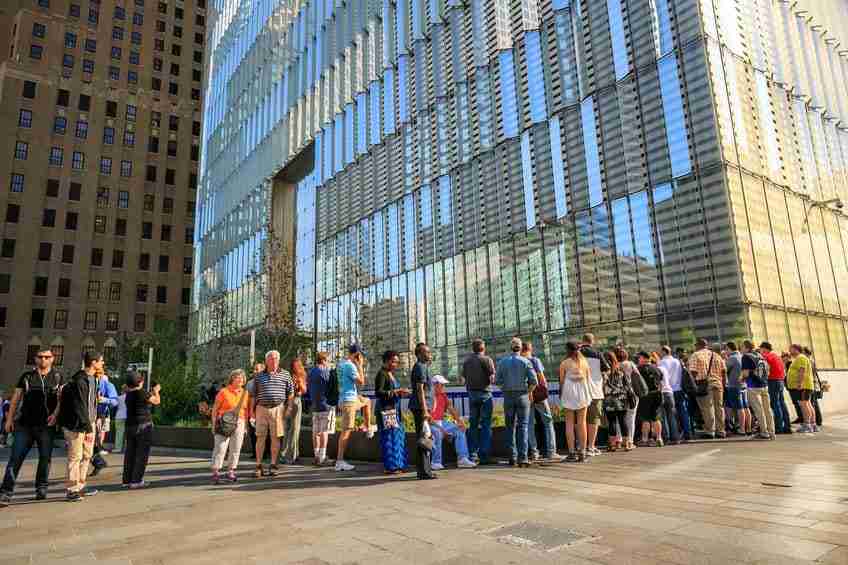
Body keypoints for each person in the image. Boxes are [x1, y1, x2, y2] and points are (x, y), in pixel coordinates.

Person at [0, 347, 64, 506]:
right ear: (35, 359)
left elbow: (62, 400)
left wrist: (55, 415)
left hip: (46, 426)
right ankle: (5, 492)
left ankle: (41, 487)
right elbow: (15, 399)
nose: (43, 360)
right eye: (40, 357)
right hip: (24, 425)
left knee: (45, 458)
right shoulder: (27, 376)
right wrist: (9, 420)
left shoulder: (57, 377)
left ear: (52, 359)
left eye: (47, 357)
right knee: (15, 458)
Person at [57, 351, 102, 502]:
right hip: (77, 426)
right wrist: (88, 427)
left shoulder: (93, 379)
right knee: (75, 457)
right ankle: (71, 490)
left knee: (87, 456)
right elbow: (80, 406)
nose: (103, 364)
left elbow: (91, 404)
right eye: (101, 361)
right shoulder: (79, 380)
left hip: (90, 423)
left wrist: (94, 423)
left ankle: (80, 486)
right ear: (94, 363)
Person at [496, 337, 537, 468]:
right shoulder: (526, 361)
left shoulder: (503, 362)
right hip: (523, 395)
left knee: (510, 426)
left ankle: (512, 457)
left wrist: (504, 389)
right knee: (523, 426)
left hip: (508, 396)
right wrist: (528, 391)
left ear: (510, 347)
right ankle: (523, 457)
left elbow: (497, 381)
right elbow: (534, 381)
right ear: (520, 348)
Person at [253, 350, 294, 477]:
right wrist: (252, 412)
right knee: (260, 437)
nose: (274, 360)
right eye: (271, 358)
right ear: (266, 361)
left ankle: (273, 464)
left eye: (276, 358)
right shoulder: (259, 376)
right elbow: (253, 395)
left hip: (278, 409)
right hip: (261, 408)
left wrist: (289, 408)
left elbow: (291, 392)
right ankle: (259, 465)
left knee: (276, 438)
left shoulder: (286, 374)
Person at [335, 344, 374, 472]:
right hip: (349, 401)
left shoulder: (341, 364)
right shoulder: (350, 366)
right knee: (346, 430)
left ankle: (368, 427)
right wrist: (360, 366)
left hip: (346, 398)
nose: (361, 357)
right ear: (357, 354)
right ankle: (339, 461)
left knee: (367, 401)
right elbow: (361, 382)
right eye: (360, 355)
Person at [211, 369, 252, 483]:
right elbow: (215, 409)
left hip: (240, 422)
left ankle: (231, 471)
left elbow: (246, 410)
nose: (240, 379)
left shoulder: (245, 393)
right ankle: (216, 471)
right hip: (224, 422)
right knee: (220, 448)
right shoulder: (223, 392)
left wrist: (245, 427)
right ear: (232, 379)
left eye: (242, 378)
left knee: (236, 448)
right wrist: (214, 424)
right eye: (237, 377)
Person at [521, 341, 558, 462]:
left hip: (526, 396)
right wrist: (545, 393)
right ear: (530, 349)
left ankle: (534, 452)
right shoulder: (535, 360)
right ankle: (551, 452)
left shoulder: (520, 362)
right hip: (538, 395)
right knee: (548, 421)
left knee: (530, 424)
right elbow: (542, 379)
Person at [122, 373, 161, 489]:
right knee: (141, 454)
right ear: (139, 382)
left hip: (130, 425)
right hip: (143, 425)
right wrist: (156, 391)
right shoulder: (142, 393)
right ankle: (136, 480)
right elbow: (156, 401)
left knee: (130, 453)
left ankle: (127, 480)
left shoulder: (128, 395)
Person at [430, 375, 476, 470]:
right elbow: (427, 418)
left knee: (460, 428)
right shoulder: (429, 397)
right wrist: (442, 430)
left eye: (443, 385)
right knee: (437, 433)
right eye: (442, 385)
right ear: (434, 385)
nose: (444, 387)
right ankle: (435, 462)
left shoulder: (443, 395)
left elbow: (451, 409)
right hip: (431, 424)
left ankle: (462, 459)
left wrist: (460, 421)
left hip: (441, 422)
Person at [374, 350, 409, 474]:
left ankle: (399, 464)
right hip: (386, 411)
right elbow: (378, 392)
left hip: (394, 410)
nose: (396, 364)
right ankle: (391, 466)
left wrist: (400, 392)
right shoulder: (382, 374)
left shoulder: (390, 374)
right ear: (387, 361)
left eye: (397, 362)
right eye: (394, 362)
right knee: (389, 438)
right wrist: (396, 392)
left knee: (397, 436)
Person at [462, 339, 496, 465]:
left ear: (473, 348)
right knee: (486, 425)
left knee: (473, 424)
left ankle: (472, 455)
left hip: (472, 395)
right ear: (483, 348)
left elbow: (462, 380)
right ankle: (484, 456)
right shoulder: (487, 359)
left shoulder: (467, 361)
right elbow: (492, 379)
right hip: (485, 394)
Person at [559, 341, 591, 462]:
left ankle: (572, 452)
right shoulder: (584, 362)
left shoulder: (564, 363)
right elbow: (588, 378)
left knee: (569, 423)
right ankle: (582, 452)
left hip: (569, 392)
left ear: (567, 350)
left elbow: (561, 381)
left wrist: (561, 394)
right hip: (582, 392)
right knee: (582, 423)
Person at [688, 338, 726, 439]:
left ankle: (710, 431)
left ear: (698, 345)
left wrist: (693, 385)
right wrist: (723, 384)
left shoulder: (696, 355)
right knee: (719, 407)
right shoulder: (716, 355)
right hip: (718, 383)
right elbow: (723, 371)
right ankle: (721, 430)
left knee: (707, 408)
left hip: (704, 384)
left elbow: (693, 372)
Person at [409, 342, 437, 479]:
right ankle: (425, 471)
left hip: (423, 407)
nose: (429, 354)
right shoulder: (420, 367)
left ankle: (425, 470)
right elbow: (420, 390)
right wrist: (425, 410)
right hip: (421, 408)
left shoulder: (423, 366)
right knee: (424, 438)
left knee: (424, 437)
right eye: (427, 352)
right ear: (420, 354)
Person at [580, 334, 608, 457]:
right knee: (593, 420)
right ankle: (591, 447)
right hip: (595, 391)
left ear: (583, 341)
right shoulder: (597, 353)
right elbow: (606, 369)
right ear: (592, 341)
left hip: (580, 391)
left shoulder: (577, 353)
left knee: (580, 420)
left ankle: (580, 446)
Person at [740, 341, 774, 440]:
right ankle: (771, 431)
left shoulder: (746, 357)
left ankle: (764, 432)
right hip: (764, 385)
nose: (741, 349)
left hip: (753, 386)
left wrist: (741, 378)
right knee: (767, 409)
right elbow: (768, 369)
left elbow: (745, 374)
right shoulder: (759, 355)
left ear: (746, 348)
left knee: (759, 410)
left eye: (741, 347)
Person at [308, 353, 335, 466]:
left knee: (316, 432)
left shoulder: (312, 372)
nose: (329, 362)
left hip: (315, 405)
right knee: (324, 431)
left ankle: (316, 456)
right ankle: (322, 457)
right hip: (325, 405)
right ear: (323, 360)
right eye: (328, 360)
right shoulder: (325, 372)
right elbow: (331, 385)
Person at [603, 351, 633, 451]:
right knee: (623, 421)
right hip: (621, 399)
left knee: (612, 422)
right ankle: (627, 444)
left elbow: (602, 386)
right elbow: (627, 385)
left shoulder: (604, 372)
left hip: (609, 400)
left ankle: (612, 445)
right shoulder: (620, 370)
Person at [659, 346, 691, 441]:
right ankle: (687, 432)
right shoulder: (677, 361)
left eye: (661, 352)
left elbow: (664, 377)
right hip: (679, 389)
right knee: (683, 412)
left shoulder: (662, 362)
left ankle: (672, 435)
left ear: (664, 352)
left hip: (669, 390)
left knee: (670, 414)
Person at [760, 342, 791, 434]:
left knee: (775, 404)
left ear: (765, 349)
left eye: (761, 349)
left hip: (772, 381)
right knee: (782, 403)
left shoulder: (767, 357)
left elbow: (764, 371)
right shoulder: (777, 356)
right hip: (780, 381)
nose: (761, 351)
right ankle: (787, 426)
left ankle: (778, 427)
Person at [617, 348, 645, 449]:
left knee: (619, 418)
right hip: (631, 394)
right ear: (626, 355)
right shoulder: (630, 364)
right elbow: (638, 376)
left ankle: (619, 440)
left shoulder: (615, 365)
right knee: (631, 418)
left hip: (619, 394)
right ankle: (630, 441)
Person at [281, 358, 307, 464]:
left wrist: (300, 383)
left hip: (295, 401)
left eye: (297, 366)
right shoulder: (287, 375)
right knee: (288, 429)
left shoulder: (302, 375)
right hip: (288, 402)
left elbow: (304, 390)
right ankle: (288, 455)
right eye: (294, 366)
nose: (296, 368)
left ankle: (292, 454)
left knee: (294, 429)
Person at [637, 352, 665, 447]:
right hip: (657, 394)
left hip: (646, 396)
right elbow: (661, 380)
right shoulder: (656, 368)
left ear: (643, 358)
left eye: (639, 358)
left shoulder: (640, 369)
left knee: (645, 419)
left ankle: (644, 439)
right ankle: (659, 438)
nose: (638, 359)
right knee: (656, 417)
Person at [652, 352, 680, 444]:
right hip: (669, 393)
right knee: (672, 416)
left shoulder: (655, 370)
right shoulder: (663, 368)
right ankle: (675, 438)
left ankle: (666, 437)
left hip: (661, 393)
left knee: (662, 417)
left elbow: (658, 383)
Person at [787, 345, 816, 433]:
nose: (790, 352)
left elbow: (801, 370)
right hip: (805, 385)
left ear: (796, 350)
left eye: (791, 350)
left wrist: (799, 383)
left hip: (804, 386)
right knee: (807, 404)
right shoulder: (800, 358)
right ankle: (812, 424)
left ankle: (807, 425)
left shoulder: (800, 358)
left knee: (804, 405)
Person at [724, 342, 750, 436]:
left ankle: (741, 429)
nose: (725, 351)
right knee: (745, 407)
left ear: (729, 348)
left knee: (739, 408)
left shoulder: (732, 358)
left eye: (726, 349)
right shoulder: (741, 356)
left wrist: (725, 360)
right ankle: (748, 428)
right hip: (743, 385)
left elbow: (724, 369)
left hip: (734, 385)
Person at [244, 362, 265, 459]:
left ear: (262, 370)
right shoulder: (249, 383)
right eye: (254, 369)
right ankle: (254, 451)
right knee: (252, 432)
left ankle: (264, 452)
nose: (254, 371)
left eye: (257, 369)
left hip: (262, 409)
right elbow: (247, 397)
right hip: (252, 410)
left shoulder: (266, 381)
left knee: (262, 432)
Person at [95, 368, 118, 453]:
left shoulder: (108, 385)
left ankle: (98, 448)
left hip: (101, 414)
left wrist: (103, 400)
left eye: (98, 374)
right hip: (89, 414)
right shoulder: (87, 382)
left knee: (100, 432)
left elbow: (115, 401)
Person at [802, 347, 824, 428]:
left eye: (803, 352)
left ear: (807, 353)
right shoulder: (811, 360)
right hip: (812, 383)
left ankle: (817, 421)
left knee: (812, 403)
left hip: (811, 384)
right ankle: (817, 420)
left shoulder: (809, 361)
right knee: (813, 403)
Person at [113, 385, 128, 454]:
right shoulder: (130, 397)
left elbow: (113, 404)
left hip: (119, 416)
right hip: (128, 416)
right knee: (128, 433)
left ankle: (118, 448)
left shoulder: (118, 398)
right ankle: (128, 447)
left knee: (119, 433)